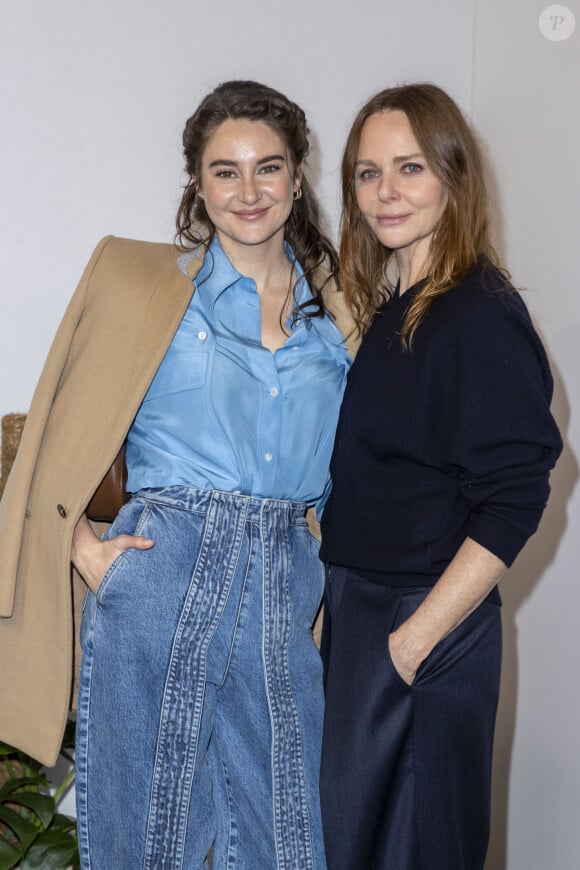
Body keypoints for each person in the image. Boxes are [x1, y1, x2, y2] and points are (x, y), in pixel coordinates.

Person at [0, 80, 354, 869]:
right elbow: (52, 434)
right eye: (224, 170)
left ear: (298, 177)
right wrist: (84, 548)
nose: (249, 190)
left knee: (285, 837)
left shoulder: (343, 311)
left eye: (268, 167)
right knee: (146, 841)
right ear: (197, 182)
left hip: (283, 579)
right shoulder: (140, 282)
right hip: (163, 571)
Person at [318, 83, 562, 870]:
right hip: (369, 617)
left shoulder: (475, 311)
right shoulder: (398, 308)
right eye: (367, 173)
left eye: (410, 167)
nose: (385, 192)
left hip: (418, 620)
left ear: (453, 177)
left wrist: (415, 639)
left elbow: (518, 490)